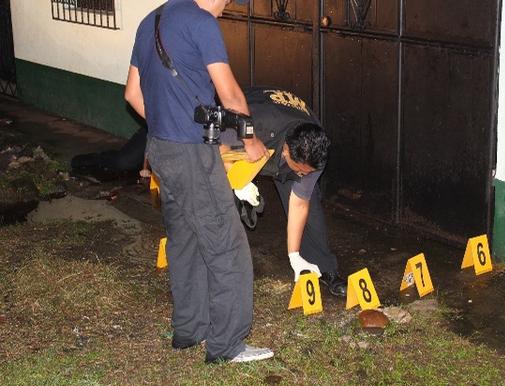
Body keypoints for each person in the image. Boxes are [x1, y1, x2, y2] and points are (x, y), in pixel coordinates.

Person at [124, 0, 273, 363]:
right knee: (227, 245)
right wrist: (250, 140)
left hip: (160, 149)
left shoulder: (150, 20)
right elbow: (230, 94)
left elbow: (132, 94)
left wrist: (168, 126)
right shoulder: (201, 23)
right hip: (191, 155)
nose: (226, 8)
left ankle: (190, 329)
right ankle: (227, 346)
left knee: (185, 240)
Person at [221, 87, 347, 297]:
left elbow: (299, 203)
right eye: (300, 170)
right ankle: (221, 267)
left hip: (283, 141)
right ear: (286, 150)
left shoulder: (316, 152)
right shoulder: (257, 123)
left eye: (307, 172)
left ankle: (324, 267)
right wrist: (238, 182)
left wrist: (293, 255)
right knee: (221, 197)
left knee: (311, 208)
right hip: (247, 137)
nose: (303, 175)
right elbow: (221, 148)